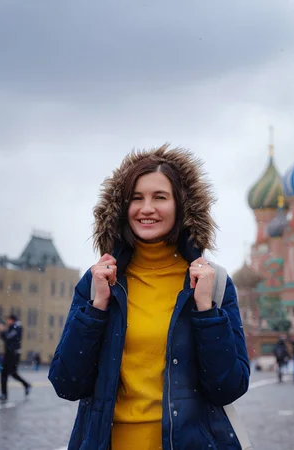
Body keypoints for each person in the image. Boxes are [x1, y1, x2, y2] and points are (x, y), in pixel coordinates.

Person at [48, 145, 250, 450]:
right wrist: (97, 309)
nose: (146, 209)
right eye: (136, 198)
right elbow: (67, 382)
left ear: (182, 206)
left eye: (160, 197)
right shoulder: (99, 281)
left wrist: (206, 312)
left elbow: (228, 387)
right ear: (122, 208)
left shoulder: (213, 282)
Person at [0, 315, 31, 401]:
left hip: (13, 354)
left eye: (8, 320)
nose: (7, 322)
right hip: (8, 354)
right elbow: (5, 338)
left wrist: (2, 331)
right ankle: (4, 394)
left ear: (12, 320)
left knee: (12, 373)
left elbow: (8, 337)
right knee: (4, 373)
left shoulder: (17, 327)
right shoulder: (11, 328)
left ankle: (26, 385)